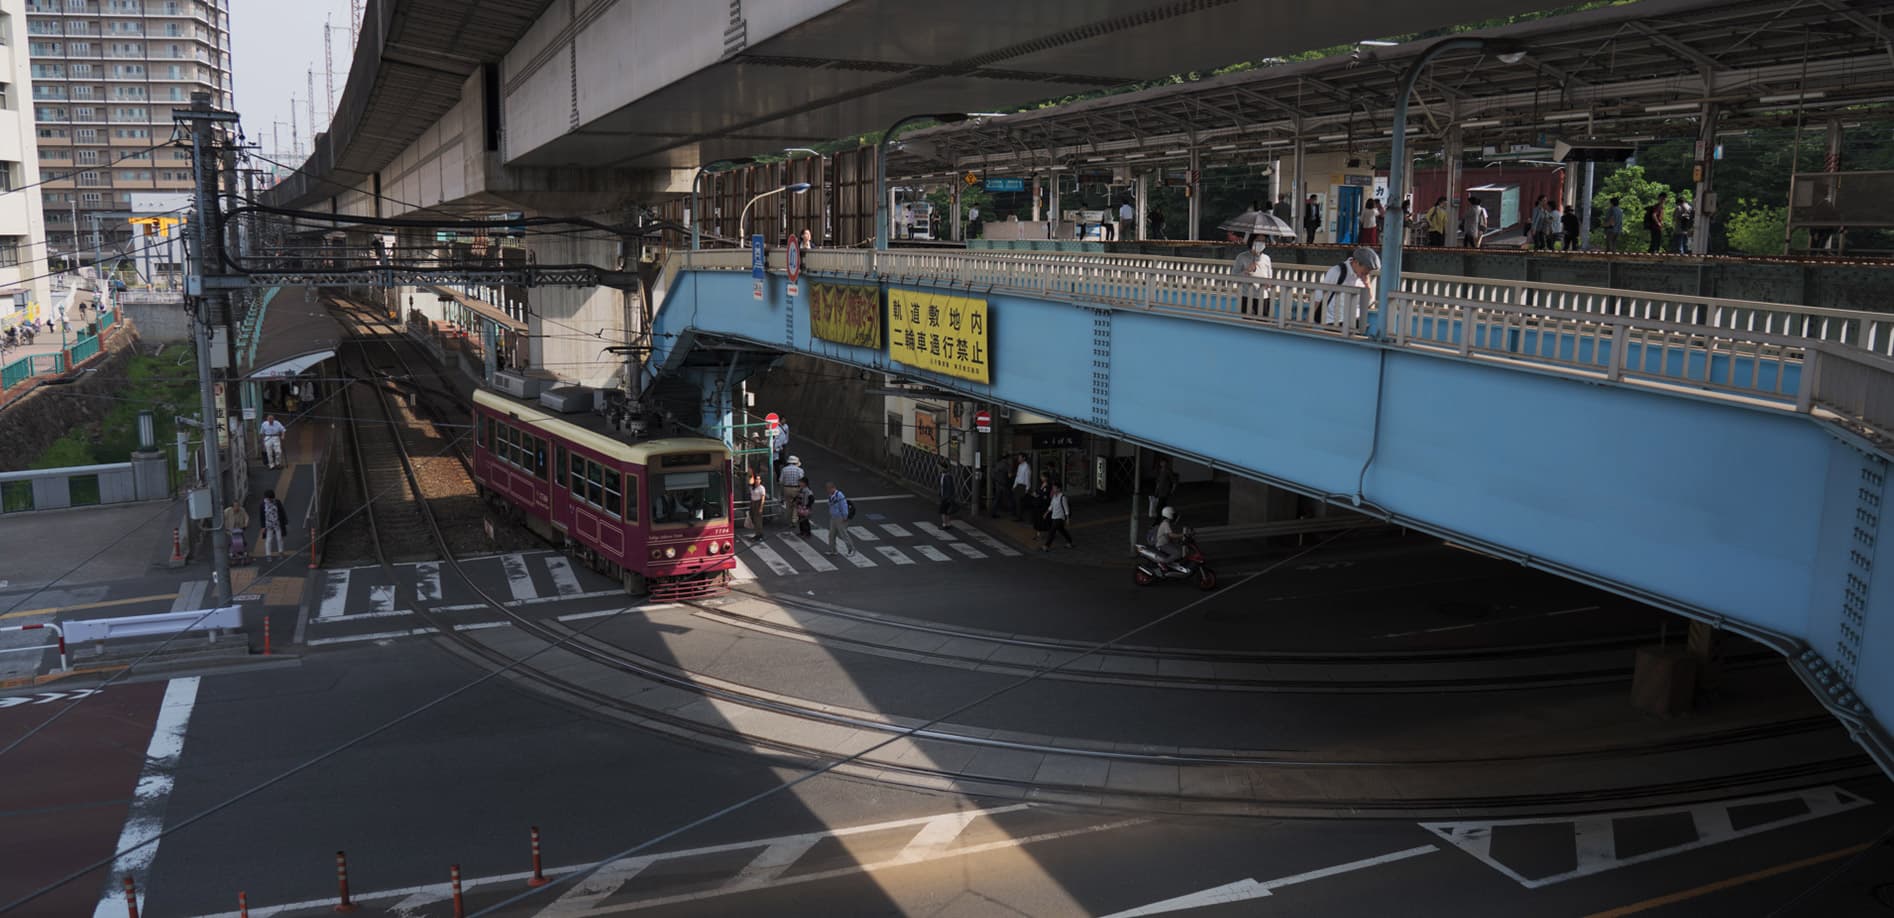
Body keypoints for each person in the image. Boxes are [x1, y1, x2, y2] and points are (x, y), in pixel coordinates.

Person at [1318, 246, 1379, 325]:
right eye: (1367, 269)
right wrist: (1311, 321)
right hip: (1334, 322)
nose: (1368, 272)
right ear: (1356, 262)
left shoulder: (1364, 277)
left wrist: (1367, 284)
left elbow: (1369, 303)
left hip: (1355, 321)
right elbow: (1319, 297)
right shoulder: (1337, 271)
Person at [1232, 234, 1273, 317]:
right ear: (1251, 241)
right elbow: (1233, 276)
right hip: (1246, 294)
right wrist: (1246, 271)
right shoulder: (1242, 257)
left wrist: (1269, 283)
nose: (1260, 243)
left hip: (1262, 295)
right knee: (1247, 321)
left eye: (1263, 241)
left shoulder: (1266, 258)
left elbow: (1269, 276)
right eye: (1258, 240)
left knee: (1263, 320)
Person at [1039, 481, 1073, 551]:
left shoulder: (1063, 497)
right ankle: (1070, 541)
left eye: (1054, 488)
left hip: (1060, 518)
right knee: (1062, 530)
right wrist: (1046, 513)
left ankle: (1046, 546)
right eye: (1053, 488)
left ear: (1059, 489)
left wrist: (1067, 519)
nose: (1053, 489)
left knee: (1052, 531)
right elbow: (1051, 506)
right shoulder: (1054, 497)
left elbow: (1066, 509)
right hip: (1054, 516)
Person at [823, 481, 852, 557]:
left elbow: (844, 506)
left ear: (833, 488)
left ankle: (850, 549)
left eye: (829, 489)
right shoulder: (831, 495)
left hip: (840, 517)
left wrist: (845, 517)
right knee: (831, 534)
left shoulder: (839, 495)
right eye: (827, 489)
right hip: (833, 517)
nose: (828, 490)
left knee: (843, 535)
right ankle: (833, 550)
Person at [259, 489, 286, 559]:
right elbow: (261, 516)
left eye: (271, 498)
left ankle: (280, 552)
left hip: (277, 523)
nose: (270, 499)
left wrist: (284, 521)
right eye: (269, 498)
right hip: (268, 525)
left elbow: (282, 512)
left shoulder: (277, 502)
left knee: (279, 538)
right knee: (269, 539)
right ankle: (268, 554)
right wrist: (263, 526)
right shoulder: (263, 505)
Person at [1149, 457, 1176, 521]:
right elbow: (1158, 482)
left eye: (1164, 462)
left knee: (1160, 505)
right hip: (1160, 491)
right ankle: (1171, 516)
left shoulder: (1168, 471)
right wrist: (1156, 491)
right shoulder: (1160, 471)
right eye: (1161, 462)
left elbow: (1174, 481)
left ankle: (1158, 518)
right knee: (1164, 505)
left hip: (1165, 491)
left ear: (1166, 463)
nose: (1162, 464)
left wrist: (1172, 490)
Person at [1011, 453, 1032, 523]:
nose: (1018, 459)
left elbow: (1027, 478)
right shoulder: (1020, 466)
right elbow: (1017, 476)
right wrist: (1014, 485)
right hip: (1018, 485)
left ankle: (1019, 517)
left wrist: (1027, 488)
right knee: (1017, 501)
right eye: (1018, 457)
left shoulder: (1027, 466)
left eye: (1020, 457)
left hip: (1023, 486)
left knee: (1019, 502)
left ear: (1024, 458)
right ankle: (1019, 516)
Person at [937, 460, 958, 529]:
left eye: (940, 467)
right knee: (946, 511)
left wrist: (946, 497)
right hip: (945, 496)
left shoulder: (947, 476)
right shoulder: (942, 475)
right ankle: (948, 523)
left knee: (943, 511)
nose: (939, 468)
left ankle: (944, 524)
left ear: (943, 467)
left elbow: (949, 487)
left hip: (946, 497)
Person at [748, 472, 768, 541]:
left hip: (758, 503)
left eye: (759, 479)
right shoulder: (752, 487)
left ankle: (759, 534)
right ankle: (757, 533)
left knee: (758, 520)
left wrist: (761, 507)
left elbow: (763, 498)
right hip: (753, 503)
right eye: (756, 479)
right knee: (754, 519)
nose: (758, 481)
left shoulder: (761, 488)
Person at [770, 418, 790, 483]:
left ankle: (787, 474)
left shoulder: (785, 427)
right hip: (774, 454)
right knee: (776, 466)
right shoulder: (776, 430)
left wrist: (776, 448)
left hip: (779, 450)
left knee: (783, 461)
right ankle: (779, 478)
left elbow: (785, 437)